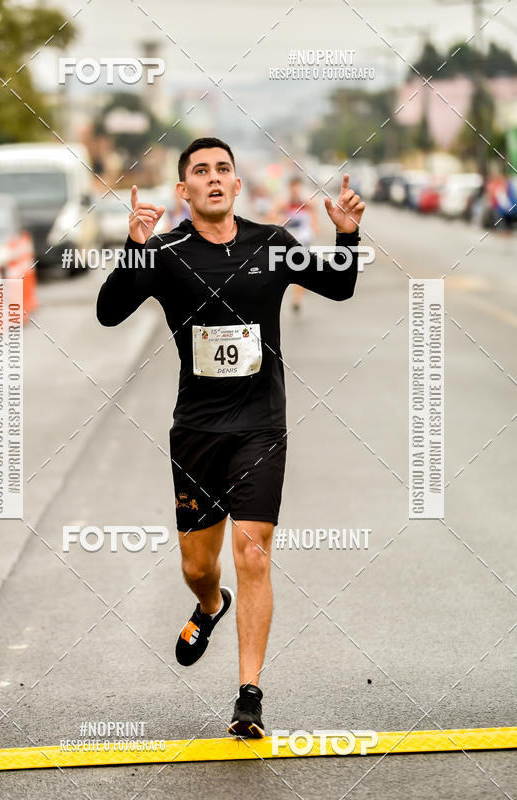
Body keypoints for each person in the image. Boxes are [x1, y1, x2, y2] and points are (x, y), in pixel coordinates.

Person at [96, 137, 365, 738]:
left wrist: (346, 236)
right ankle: (209, 605)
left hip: (260, 423)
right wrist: (133, 248)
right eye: (201, 172)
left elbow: (341, 286)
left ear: (237, 186)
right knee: (199, 564)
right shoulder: (164, 255)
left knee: (253, 549)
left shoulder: (271, 245)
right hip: (196, 429)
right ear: (184, 191)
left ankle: (250, 695)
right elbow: (109, 312)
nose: (214, 178)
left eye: (224, 170)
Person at [271, 176, 320, 312]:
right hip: (286, 242)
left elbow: (314, 218)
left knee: (300, 269)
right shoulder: (282, 202)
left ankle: (297, 299)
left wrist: (314, 230)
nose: (295, 190)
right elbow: (272, 218)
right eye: (293, 187)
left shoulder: (308, 202)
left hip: (302, 241)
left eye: (297, 187)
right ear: (289, 188)